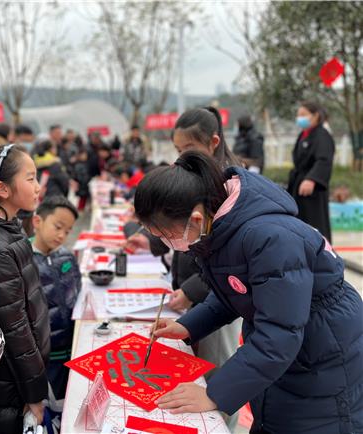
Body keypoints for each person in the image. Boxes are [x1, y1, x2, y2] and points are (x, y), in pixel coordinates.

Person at [134, 151, 363, 434]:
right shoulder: (218, 225)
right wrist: (187, 325)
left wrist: (213, 394)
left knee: (309, 422)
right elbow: (233, 291)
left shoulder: (270, 238)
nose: (165, 243)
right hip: (289, 342)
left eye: (164, 235)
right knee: (272, 415)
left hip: (322, 350)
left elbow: (280, 333)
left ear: (194, 219)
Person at [125, 108, 242, 431]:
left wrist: (191, 291)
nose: (180, 159)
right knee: (194, 368)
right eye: (176, 151)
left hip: (217, 296)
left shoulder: (228, 192)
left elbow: (224, 264)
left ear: (214, 142)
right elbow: (177, 232)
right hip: (201, 292)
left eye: (186, 150)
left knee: (218, 368)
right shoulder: (194, 181)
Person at [0, 143, 50, 433]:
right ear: (2, 189)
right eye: (30, 178)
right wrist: (34, 392)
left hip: (18, 372)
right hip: (7, 379)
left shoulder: (9, 227)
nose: (38, 186)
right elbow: (13, 326)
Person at [31, 196, 82, 401]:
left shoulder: (67, 257)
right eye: (58, 227)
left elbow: (78, 293)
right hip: (44, 354)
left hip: (70, 345)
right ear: (37, 222)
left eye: (68, 231)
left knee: (68, 399)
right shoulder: (24, 260)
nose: (62, 235)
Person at [288, 101, 335, 242]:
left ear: (315, 116)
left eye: (303, 115)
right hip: (298, 185)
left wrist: (312, 179)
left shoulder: (322, 135)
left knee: (315, 223)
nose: (299, 118)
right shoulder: (303, 135)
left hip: (312, 188)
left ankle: (321, 254)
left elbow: (324, 160)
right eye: (298, 115)